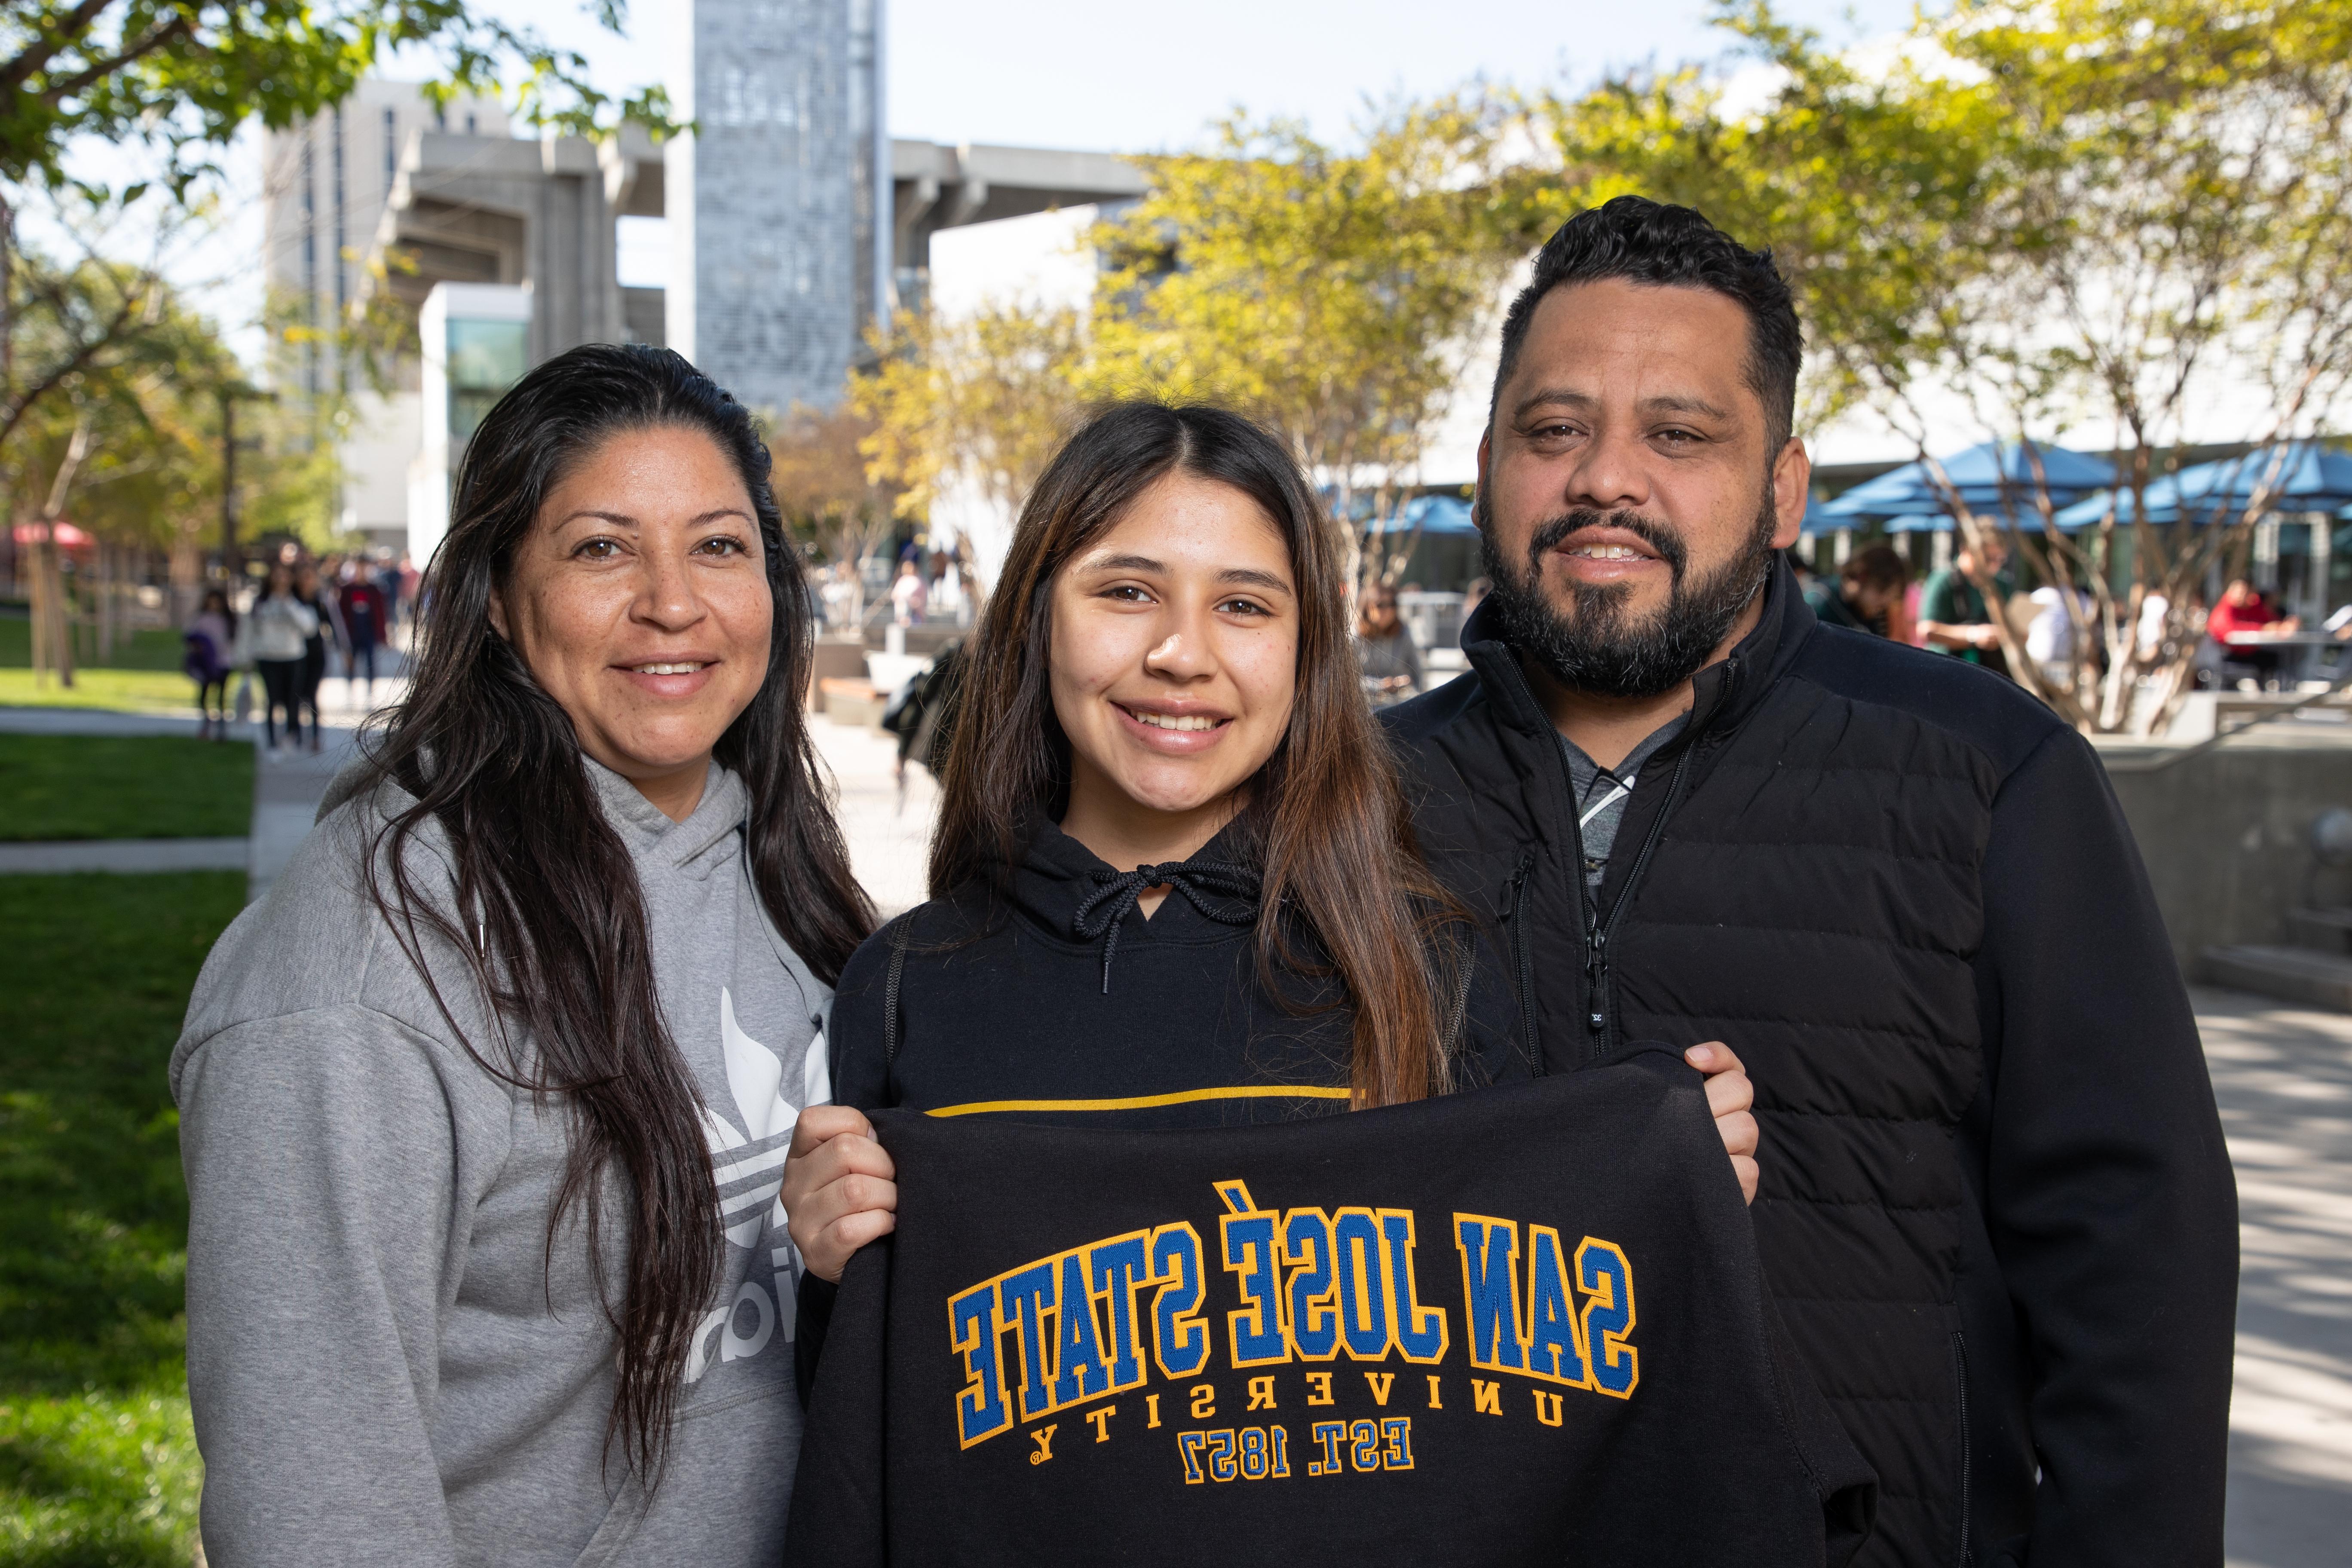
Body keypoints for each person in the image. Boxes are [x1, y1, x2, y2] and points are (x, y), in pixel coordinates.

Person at [1384, 196, 2236, 1567]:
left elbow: (2134, 1262)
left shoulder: (1986, 773)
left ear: (1783, 490)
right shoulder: (1346, 799)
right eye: (1556, 432)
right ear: (1490, 467)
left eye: (1679, 433)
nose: (1610, 478)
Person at [781, 400, 1761, 1303]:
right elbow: (876, 1421)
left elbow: (1522, 1347)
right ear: (1035, 622)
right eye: (1126, 591)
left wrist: (1648, 1180)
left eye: (1243, 605)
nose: (1181, 653)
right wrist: (836, 1271)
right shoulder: (904, 986)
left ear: (1306, 653)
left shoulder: (1426, 958)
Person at [172, 344, 874, 1566]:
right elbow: (315, 1503)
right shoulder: (358, 979)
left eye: (718, 545)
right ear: (497, 597)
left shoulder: (778, 865)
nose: (673, 601)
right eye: (602, 548)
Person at [246, 560, 317, 756]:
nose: (281, 579)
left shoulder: (298, 601)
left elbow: (309, 629)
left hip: (293, 657)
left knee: (292, 700)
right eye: (277, 575)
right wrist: (247, 656)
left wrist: (289, 604)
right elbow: (250, 631)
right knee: (271, 700)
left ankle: (292, 736)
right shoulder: (261, 603)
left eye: (285, 575)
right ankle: (271, 743)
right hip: (268, 658)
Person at [1917, 530, 2012, 672]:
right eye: (1987, 558)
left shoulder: (2002, 584)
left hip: (1989, 672)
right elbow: (1926, 630)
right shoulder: (1943, 580)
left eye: (1999, 560)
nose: (1993, 566)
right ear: (1966, 550)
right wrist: (1973, 635)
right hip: (1946, 669)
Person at [1801, 544, 1907, 638]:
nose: (1886, 602)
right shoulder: (1818, 602)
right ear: (1863, 577)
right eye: (1885, 593)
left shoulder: (1866, 613)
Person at [2206, 576, 2296, 687]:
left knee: (2278, 660)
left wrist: (2287, 624)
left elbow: (2270, 622)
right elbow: (2227, 632)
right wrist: (2261, 629)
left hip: (2251, 652)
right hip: (2228, 655)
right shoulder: (2224, 609)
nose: (2243, 596)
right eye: (2240, 592)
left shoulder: (2252, 607)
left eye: (2247, 593)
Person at [1354, 580, 1425, 706]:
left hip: (1400, 704)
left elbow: (1418, 677)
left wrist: (1404, 682)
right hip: (1363, 706)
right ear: (1367, 607)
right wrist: (1379, 685)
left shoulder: (1404, 635)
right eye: (1380, 605)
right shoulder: (1356, 638)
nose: (1387, 610)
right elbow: (1347, 680)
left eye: (1392, 604)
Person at [294, 558, 338, 751]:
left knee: (311, 695)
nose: (307, 581)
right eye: (303, 577)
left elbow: (333, 626)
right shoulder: (291, 600)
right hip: (294, 654)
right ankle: (295, 734)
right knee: (295, 695)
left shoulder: (321, 601)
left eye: (310, 577)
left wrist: (343, 650)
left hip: (316, 654)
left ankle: (314, 737)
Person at [183, 587, 236, 740]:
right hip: (206, 664)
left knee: (222, 697)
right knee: (204, 696)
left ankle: (222, 729)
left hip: (224, 663)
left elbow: (233, 641)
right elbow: (189, 636)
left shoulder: (227, 620)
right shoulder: (200, 618)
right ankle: (206, 725)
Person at [338, 557, 389, 704]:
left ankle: (370, 696)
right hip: (352, 634)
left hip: (369, 633)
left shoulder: (374, 590)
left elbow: (381, 613)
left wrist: (383, 635)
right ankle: (350, 694)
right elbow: (341, 614)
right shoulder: (347, 590)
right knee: (351, 665)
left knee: (370, 664)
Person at [889, 557, 928, 627]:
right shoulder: (902, 580)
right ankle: (901, 619)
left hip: (914, 610)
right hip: (902, 604)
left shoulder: (917, 580)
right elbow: (895, 594)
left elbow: (915, 593)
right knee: (902, 602)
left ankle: (906, 620)